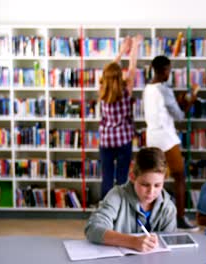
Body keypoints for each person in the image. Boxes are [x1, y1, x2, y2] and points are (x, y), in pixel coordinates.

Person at [143, 55, 199, 231]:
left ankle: (151, 218)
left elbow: (163, 109)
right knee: (180, 177)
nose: (169, 73)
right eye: (169, 70)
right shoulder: (164, 90)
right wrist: (192, 99)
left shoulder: (147, 88)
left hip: (152, 138)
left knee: (154, 180)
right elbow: (180, 116)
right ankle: (180, 218)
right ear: (164, 70)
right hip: (167, 139)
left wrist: (179, 101)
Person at [85, 147, 176, 252]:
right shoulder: (116, 196)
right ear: (132, 177)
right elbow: (92, 229)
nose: (151, 192)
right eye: (145, 184)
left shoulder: (168, 208)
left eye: (157, 185)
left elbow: (169, 245)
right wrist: (132, 241)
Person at [98, 35, 142, 198]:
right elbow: (132, 67)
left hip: (106, 140)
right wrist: (135, 47)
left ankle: (105, 212)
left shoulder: (102, 90)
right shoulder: (126, 90)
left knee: (107, 178)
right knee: (122, 178)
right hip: (123, 139)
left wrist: (121, 51)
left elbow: (108, 70)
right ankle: (121, 211)